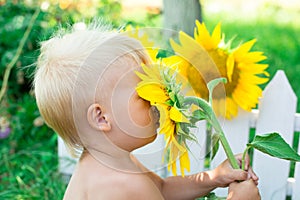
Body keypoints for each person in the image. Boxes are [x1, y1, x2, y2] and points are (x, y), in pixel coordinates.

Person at [34, 22, 260, 200]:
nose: (156, 102)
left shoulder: (108, 164)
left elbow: (162, 189)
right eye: (144, 95)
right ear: (102, 117)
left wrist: (213, 178)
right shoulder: (125, 185)